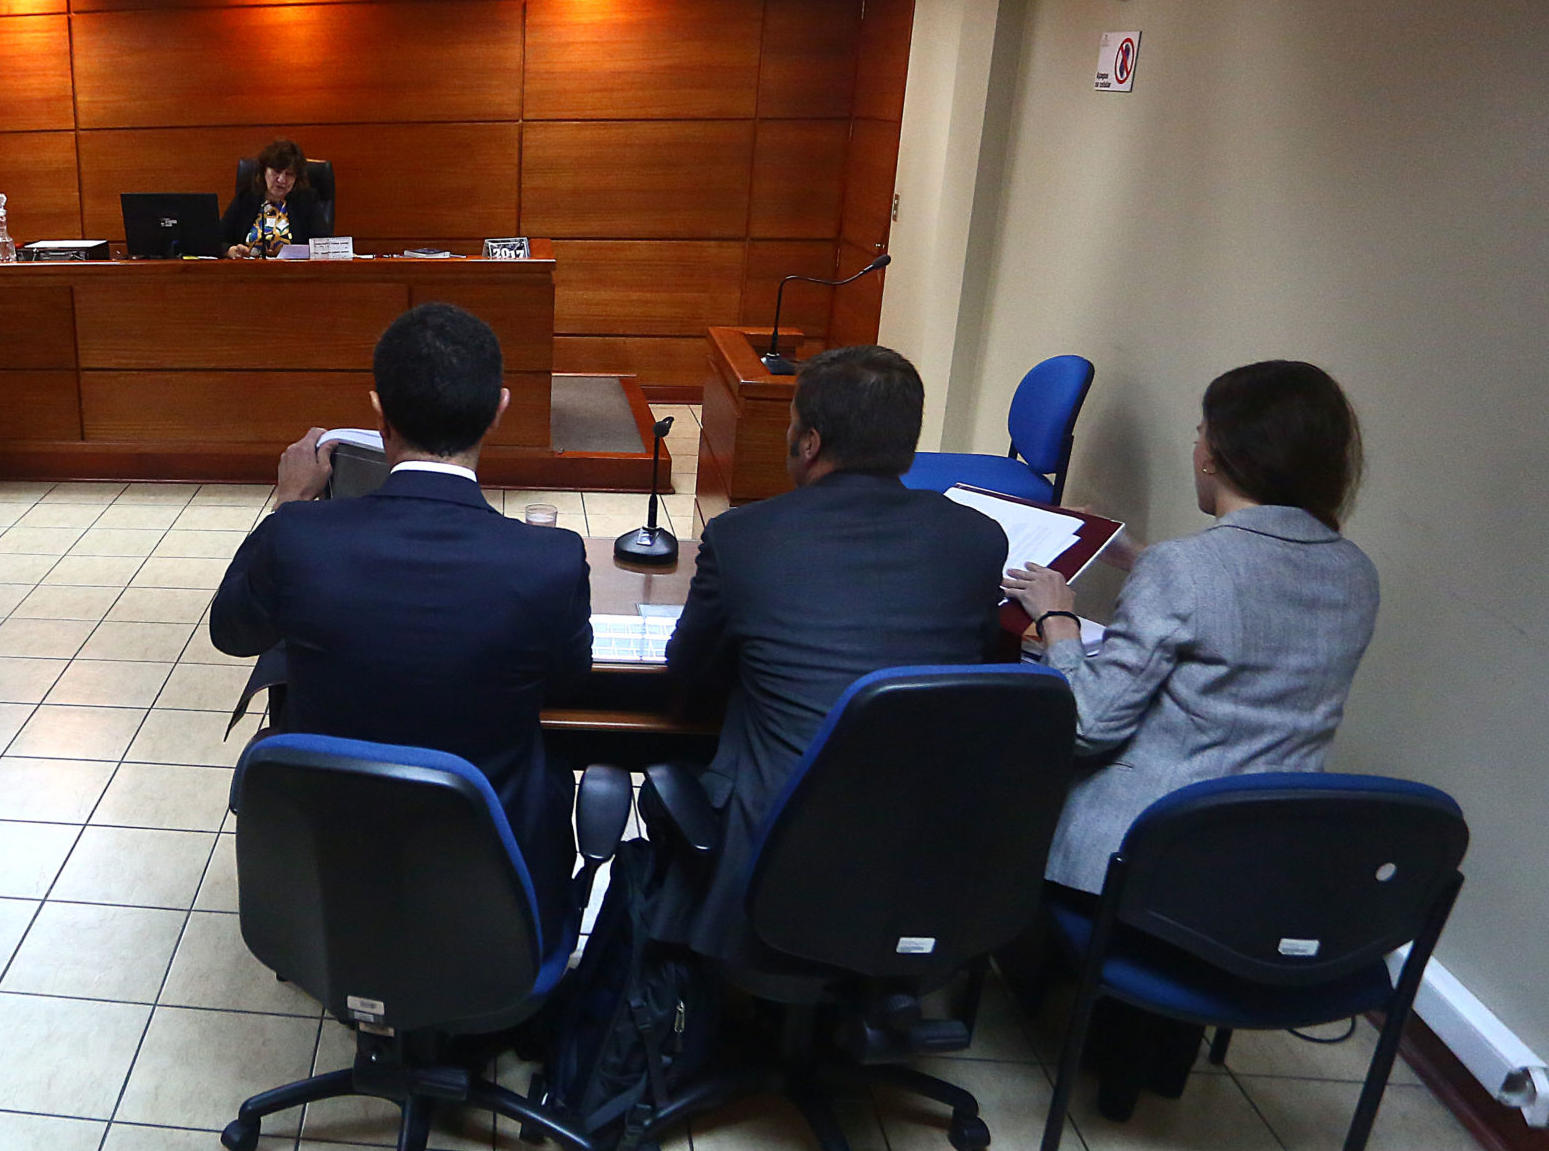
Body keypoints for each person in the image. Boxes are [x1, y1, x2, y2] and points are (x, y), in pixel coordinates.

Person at [1003, 360, 1378, 1114]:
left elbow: (1089, 725)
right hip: (1263, 858)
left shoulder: (1187, 569)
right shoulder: (1354, 572)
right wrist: (1135, 557)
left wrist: (1059, 619)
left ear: (1216, 454)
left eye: (1201, 432)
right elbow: (1247, 606)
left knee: (1014, 752)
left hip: (1149, 857)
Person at [209, 301, 591, 924]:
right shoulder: (550, 560)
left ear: (378, 412)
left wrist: (288, 504)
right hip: (493, 900)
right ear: (499, 410)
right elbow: (568, 684)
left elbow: (231, 631)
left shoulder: (300, 538)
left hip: (332, 883)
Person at [658, 344, 1009, 959]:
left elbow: (689, 671)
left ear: (810, 443)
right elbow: (976, 661)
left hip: (777, 863)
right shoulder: (978, 537)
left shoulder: (743, 537)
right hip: (927, 861)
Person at [222, 139, 329, 259]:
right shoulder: (246, 197)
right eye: (276, 172)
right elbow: (218, 240)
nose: (282, 180)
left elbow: (323, 246)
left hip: (293, 269)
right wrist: (230, 250)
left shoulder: (307, 200)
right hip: (247, 268)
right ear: (264, 171)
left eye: (289, 174)